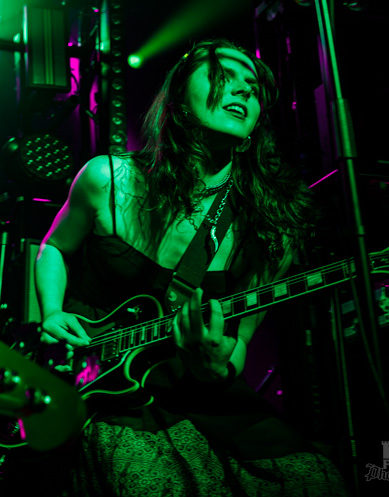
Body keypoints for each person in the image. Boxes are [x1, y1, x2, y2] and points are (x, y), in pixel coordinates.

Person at [31, 40, 347, 495]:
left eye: (253, 90)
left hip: (194, 393)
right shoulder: (107, 178)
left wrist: (214, 364)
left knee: (319, 483)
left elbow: (236, 350)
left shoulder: (272, 230)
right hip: (95, 381)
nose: (241, 94)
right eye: (223, 79)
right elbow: (53, 249)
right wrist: (52, 312)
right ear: (178, 97)